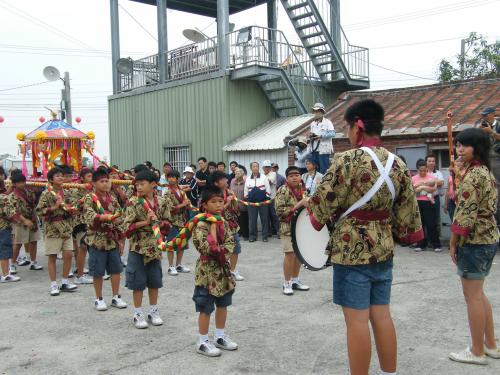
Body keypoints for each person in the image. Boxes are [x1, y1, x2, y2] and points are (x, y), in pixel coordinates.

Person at [306, 99, 423, 375]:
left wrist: (312, 209)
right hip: (383, 248)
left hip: (351, 251)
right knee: (382, 314)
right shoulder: (398, 163)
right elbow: (408, 217)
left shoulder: (346, 160)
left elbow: (320, 210)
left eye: (348, 128)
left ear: (357, 127)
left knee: (357, 321)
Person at [449, 127, 500, 365]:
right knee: (479, 294)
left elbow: (464, 216)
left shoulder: (472, 176)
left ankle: (477, 350)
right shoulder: (485, 173)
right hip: (489, 237)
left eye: (464, 145)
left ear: (476, 148)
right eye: (458, 144)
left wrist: (453, 242)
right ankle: (490, 344)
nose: (459, 149)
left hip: (474, 240)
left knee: (472, 296)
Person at [192, 186, 238, 357]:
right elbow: (204, 248)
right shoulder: (200, 225)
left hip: (222, 270)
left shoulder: (223, 222)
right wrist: (212, 231)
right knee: (205, 306)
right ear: (204, 205)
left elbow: (230, 243)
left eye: (220, 201)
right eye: (214, 202)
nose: (219, 205)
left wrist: (221, 251)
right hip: (206, 272)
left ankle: (219, 336)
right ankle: (202, 341)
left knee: (223, 303)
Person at [124, 170, 172, 329]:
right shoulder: (133, 202)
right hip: (138, 247)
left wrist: (162, 225)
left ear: (153, 184)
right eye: (137, 184)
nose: (138, 187)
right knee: (137, 282)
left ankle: (153, 310)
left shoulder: (163, 201)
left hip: (155, 247)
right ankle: (137, 313)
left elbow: (168, 222)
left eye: (142, 184)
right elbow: (126, 228)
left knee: (154, 280)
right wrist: (146, 222)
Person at [83, 169, 127, 311]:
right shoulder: (90, 198)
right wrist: (106, 217)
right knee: (98, 271)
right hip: (97, 239)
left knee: (116, 269)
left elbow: (120, 216)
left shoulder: (113, 198)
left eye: (107, 181)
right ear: (94, 183)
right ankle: (99, 298)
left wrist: (120, 239)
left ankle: (116, 297)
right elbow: (90, 216)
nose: (105, 184)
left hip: (112, 239)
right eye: (102, 181)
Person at [36, 167, 78, 296]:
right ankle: (53, 284)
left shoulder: (67, 192)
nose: (61, 178)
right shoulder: (47, 193)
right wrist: (55, 206)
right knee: (53, 256)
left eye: (62, 176)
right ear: (50, 180)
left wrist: (72, 209)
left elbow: (73, 205)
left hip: (66, 227)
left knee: (68, 255)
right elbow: (39, 210)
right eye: (57, 176)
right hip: (53, 228)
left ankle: (65, 281)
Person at [274, 166, 310, 295]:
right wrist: (298, 205)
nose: (295, 177)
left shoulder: (303, 189)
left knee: (299, 256)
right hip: (287, 228)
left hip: (301, 227)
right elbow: (279, 212)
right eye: (291, 176)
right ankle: (287, 282)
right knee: (290, 254)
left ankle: (295, 280)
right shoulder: (282, 190)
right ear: (287, 178)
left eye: (297, 175)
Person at [213, 171, 244, 281]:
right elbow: (218, 210)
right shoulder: (214, 195)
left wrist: (233, 199)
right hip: (219, 226)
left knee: (236, 247)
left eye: (226, 179)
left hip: (232, 224)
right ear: (216, 183)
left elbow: (236, 209)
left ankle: (233, 270)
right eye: (223, 180)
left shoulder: (229, 192)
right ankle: (220, 270)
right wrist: (227, 202)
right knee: (220, 248)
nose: (226, 181)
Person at [10, 173, 42, 273]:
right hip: (20, 221)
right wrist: (24, 220)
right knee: (18, 243)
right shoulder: (13, 195)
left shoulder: (29, 192)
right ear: (14, 184)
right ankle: (12, 264)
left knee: (33, 241)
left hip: (32, 219)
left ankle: (33, 262)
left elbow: (34, 204)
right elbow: (13, 211)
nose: (22, 184)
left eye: (23, 182)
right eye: (19, 182)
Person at [164, 170, 191, 276]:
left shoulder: (182, 191)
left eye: (173, 177)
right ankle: (171, 266)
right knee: (171, 243)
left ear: (178, 179)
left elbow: (187, 204)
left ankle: (178, 264)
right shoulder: (167, 192)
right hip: (171, 221)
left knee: (182, 243)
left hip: (182, 220)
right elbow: (168, 208)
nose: (171, 179)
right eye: (169, 177)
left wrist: (187, 204)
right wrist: (183, 204)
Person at [412, 159, 441, 252]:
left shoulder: (431, 177)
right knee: (420, 224)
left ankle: (436, 244)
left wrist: (421, 187)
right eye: (421, 170)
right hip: (417, 202)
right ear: (417, 170)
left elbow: (433, 189)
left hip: (428, 203)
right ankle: (421, 244)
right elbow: (413, 190)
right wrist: (424, 187)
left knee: (431, 224)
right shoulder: (413, 178)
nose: (423, 172)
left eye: (425, 170)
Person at [71, 168, 94, 285]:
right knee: (82, 247)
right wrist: (85, 194)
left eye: (92, 176)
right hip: (80, 222)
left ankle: (94, 271)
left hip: (91, 221)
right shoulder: (76, 190)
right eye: (89, 176)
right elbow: (74, 207)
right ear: (82, 178)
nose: (91, 179)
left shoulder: (94, 189)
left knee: (92, 247)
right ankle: (80, 275)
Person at [479, 106, 500, 224]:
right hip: (487, 157)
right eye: (483, 115)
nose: (484, 117)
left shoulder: (499, 125)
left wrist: (491, 132)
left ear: (492, 114)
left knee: (497, 183)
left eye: (486, 115)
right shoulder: (483, 125)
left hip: (497, 156)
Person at [0, 191, 25, 282]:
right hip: (3, 227)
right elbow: (10, 213)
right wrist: (21, 220)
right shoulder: (3, 197)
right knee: (4, 250)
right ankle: (6, 275)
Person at [244, 162, 270, 242]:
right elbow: (246, 190)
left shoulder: (263, 177)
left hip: (263, 202)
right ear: (251, 168)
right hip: (251, 202)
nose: (255, 168)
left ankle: (265, 236)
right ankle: (252, 236)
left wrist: (267, 198)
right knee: (252, 220)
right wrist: (247, 199)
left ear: (258, 168)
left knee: (264, 219)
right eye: (253, 166)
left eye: (256, 166)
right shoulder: (248, 179)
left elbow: (267, 188)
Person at [309, 103, 335, 174]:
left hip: (323, 149)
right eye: (315, 111)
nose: (316, 113)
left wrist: (321, 136)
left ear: (322, 112)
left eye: (317, 111)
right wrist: (312, 136)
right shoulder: (313, 124)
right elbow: (312, 134)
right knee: (315, 170)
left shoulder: (327, 122)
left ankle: (323, 184)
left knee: (323, 170)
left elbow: (333, 133)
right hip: (314, 149)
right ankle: (317, 184)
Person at [426, 154, 444, 233]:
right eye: (429, 161)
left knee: (435, 218)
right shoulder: (423, 172)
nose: (431, 163)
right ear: (426, 162)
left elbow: (441, 183)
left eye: (433, 161)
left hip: (435, 198)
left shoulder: (438, 172)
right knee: (426, 219)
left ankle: (435, 240)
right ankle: (427, 240)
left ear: (435, 163)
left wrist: (429, 182)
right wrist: (435, 181)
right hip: (425, 199)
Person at [230, 167, 249, 241]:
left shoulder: (246, 181)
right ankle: (238, 233)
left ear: (242, 174)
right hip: (234, 204)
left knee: (244, 219)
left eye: (238, 173)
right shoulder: (232, 181)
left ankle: (245, 235)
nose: (236, 174)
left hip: (243, 203)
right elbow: (230, 190)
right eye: (235, 173)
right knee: (236, 220)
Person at [262, 160, 280, 237]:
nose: (267, 168)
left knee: (274, 215)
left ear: (270, 168)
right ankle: (269, 232)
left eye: (268, 167)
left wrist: (262, 181)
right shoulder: (262, 175)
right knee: (266, 215)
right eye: (265, 167)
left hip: (272, 197)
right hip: (264, 198)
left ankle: (279, 231)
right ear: (263, 168)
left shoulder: (273, 174)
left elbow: (269, 182)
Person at [444, 158, 464, 222]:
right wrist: (446, 204)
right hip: (451, 201)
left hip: (461, 201)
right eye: (455, 165)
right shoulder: (450, 176)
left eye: (460, 162)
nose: (458, 164)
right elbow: (448, 190)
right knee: (453, 221)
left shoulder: (465, 174)